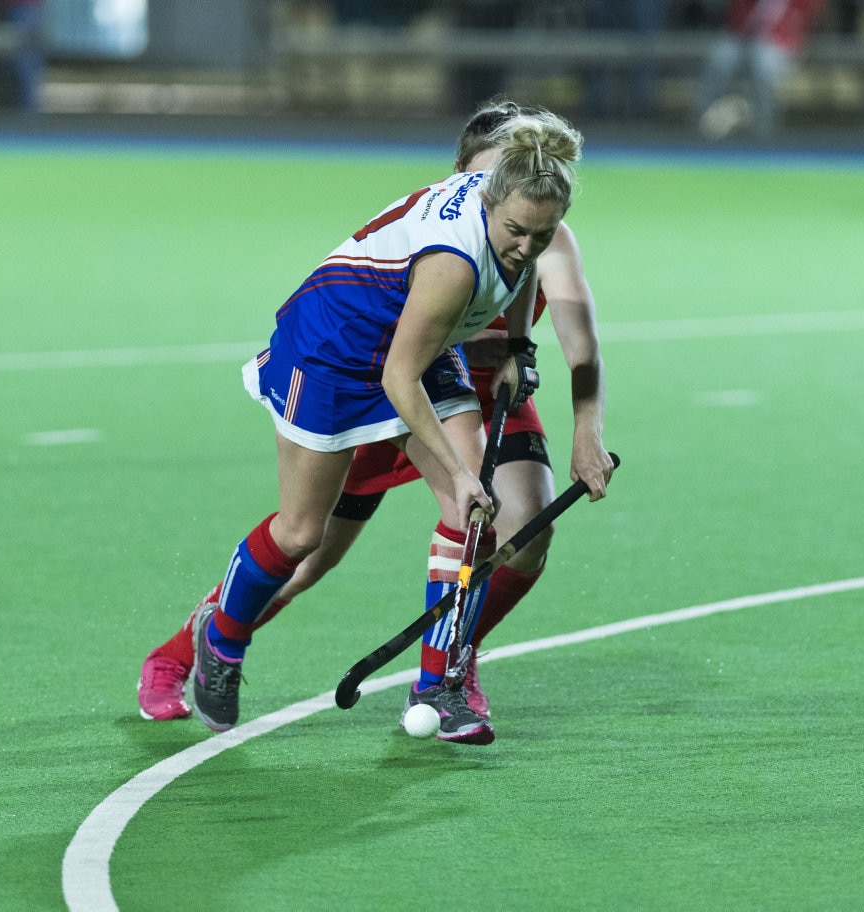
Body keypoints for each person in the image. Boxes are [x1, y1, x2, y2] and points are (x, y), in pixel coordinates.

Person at [137, 101, 613, 745]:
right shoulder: (454, 260)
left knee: (475, 511)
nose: (528, 242)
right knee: (302, 539)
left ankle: (440, 682)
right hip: (339, 350)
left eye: (541, 232)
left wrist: (518, 348)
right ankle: (215, 637)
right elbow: (398, 376)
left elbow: (523, 271)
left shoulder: (525, 215)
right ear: (484, 185)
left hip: (420, 348)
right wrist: (457, 468)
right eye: (517, 229)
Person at [695, 0, 826, 138]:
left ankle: (762, 127)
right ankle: (704, 119)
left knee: (761, 61)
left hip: (784, 46)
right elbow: (737, 23)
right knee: (722, 56)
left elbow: (810, 23)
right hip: (746, 41)